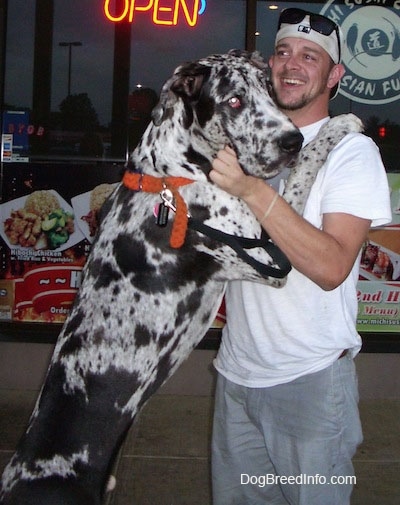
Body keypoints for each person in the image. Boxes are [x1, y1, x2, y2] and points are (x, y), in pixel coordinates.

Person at [209, 8, 392, 505]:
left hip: (308, 382)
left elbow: (332, 267)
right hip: (236, 373)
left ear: (334, 76)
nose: (291, 65)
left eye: (310, 56)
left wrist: (249, 190)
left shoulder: (351, 153)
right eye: (284, 52)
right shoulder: (247, 144)